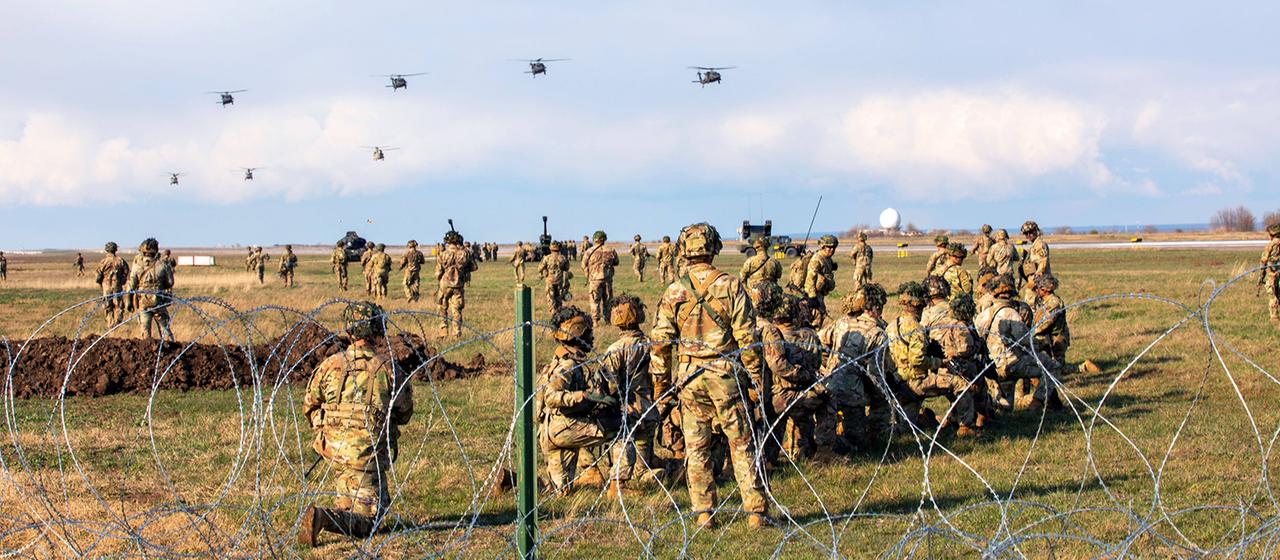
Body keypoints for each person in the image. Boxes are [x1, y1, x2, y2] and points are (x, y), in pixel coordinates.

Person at [649, 222, 770, 529]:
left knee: (697, 447)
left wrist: (661, 385)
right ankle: (755, 511)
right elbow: (747, 337)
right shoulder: (731, 286)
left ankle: (704, 512)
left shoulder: (674, 290)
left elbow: (660, 343)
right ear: (715, 248)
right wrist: (755, 377)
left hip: (690, 378)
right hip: (725, 375)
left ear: (684, 250)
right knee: (741, 443)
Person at [298, 301, 414, 547]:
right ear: (377, 330)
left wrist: (331, 427)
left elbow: (309, 405)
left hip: (336, 453)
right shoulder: (388, 370)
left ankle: (338, 511)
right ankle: (322, 518)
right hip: (367, 456)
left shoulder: (330, 365)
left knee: (349, 501)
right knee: (372, 520)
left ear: (349, 331)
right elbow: (404, 413)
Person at [537, 305, 618, 492]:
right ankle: (619, 483)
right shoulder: (567, 364)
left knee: (560, 491)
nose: (591, 336)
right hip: (563, 427)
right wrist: (583, 396)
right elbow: (551, 396)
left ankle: (511, 481)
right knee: (619, 427)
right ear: (577, 333)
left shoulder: (569, 359)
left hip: (554, 428)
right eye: (588, 332)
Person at [890, 281, 979, 436]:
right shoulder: (916, 329)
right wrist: (940, 362)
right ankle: (965, 426)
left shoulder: (892, 325)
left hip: (898, 382)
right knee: (960, 384)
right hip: (916, 382)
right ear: (920, 305)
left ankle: (925, 420)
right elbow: (918, 361)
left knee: (905, 430)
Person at [974, 274, 1065, 412]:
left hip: (994, 366)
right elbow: (1027, 341)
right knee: (1053, 367)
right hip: (1014, 364)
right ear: (1011, 293)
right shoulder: (1011, 314)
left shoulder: (983, 316)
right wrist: (1039, 345)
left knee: (1004, 408)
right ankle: (1037, 401)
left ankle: (991, 412)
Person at [754, 286, 823, 463]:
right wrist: (801, 374)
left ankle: (768, 460)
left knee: (773, 427)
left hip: (766, 392)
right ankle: (824, 451)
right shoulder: (776, 333)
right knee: (825, 399)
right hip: (784, 393)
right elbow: (779, 364)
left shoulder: (756, 328)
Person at [598, 295, 659, 494]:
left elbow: (608, 382)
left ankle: (617, 484)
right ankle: (645, 473)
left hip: (628, 408)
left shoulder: (616, 349)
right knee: (642, 449)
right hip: (649, 409)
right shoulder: (651, 344)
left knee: (623, 440)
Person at [126, 238, 175, 341]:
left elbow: (130, 287)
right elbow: (170, 282)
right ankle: (171, 351)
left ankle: (147, 352)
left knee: (145, 332)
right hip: (159, 302)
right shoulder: (162, 265)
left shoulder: (137, 266)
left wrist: (129, 302)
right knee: (165, 331)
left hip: (143, 303)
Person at [436, 229, 477, 337]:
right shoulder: (465, 254)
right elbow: (474, 267)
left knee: (442, 307)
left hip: (445, 284)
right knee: (457, 309)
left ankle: (443, 330)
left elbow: (438, 273)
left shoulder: (443, 254)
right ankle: (457, 332)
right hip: (458, 284)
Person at [1031, 274, 1071, 366]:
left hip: (1056, 339)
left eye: (1038, 288)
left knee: (1058, 368)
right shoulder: (1043, 301)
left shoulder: (1054, 302)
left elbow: (1046, 322)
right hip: (1048, 337)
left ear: (1045, 290)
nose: (1036, 290)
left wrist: (1032, 333)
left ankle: (1082, 368)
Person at [581, 231, 619, 324]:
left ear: (594, 239)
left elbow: (583, 265)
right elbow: (616, 262)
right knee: (608, 300)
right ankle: (608, 320)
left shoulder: (589, 251)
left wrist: (588, 273)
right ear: (604, 239)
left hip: (594, 280)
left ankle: (595, 322)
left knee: (595, 300)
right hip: (607, 279)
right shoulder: (611, 250)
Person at [803, 235, 839, 325]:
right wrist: (812, 297)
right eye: (829, 247)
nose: (832, 250)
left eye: (834, 247)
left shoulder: (827, 258)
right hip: (815, 294)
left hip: (821, 294)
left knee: (821, 316)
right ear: (823, 246)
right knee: (816, 319)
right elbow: (810, 279)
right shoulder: (816, 260)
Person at [94, 242, 131, 327]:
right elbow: (127, 273)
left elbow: (98, 276)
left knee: (107, 306)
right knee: (119, 306)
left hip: (106, 287)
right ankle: (117, 323)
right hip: (117, 286)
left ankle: (110, 324)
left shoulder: (103, 262)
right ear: (115, 249)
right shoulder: (120, 260)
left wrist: (101, 283)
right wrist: (122, 281)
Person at [1019, 220, 1051, 301]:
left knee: (1031, 304)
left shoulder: (1040, 244)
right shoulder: (1034, 245)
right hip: (1035, 282)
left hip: (1040, 282)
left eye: (1030, 232)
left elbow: (1043, 262)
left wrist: (1036, 279)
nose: (1028, 235)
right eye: (1026, 234)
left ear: (1036, 231)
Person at [539, 241, 572, 313]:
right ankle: (559, 313)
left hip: (550, 281)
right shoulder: (563, 258)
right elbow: (567, 268)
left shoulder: (547, 258)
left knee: (550, 298)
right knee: (558, 298)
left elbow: (540, 268)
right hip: (559, 281)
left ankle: (553, 314)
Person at [1261, 223, 1280, 325]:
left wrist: (1261, 276)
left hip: (1272, 275)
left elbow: (1263, 261)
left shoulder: (1271, 245)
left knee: (1273, 296)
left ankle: (1274, 318)